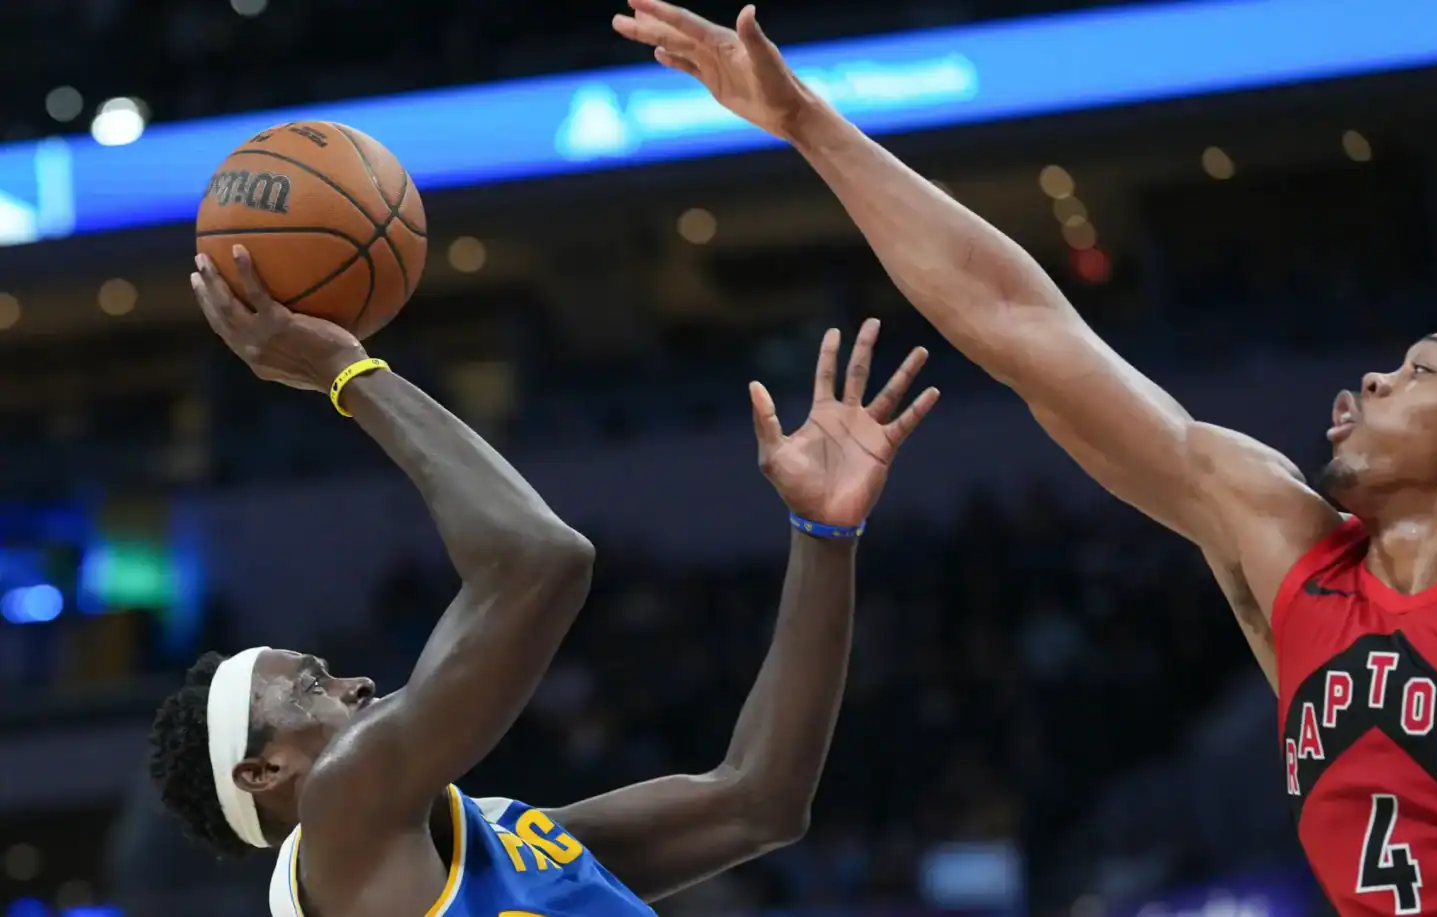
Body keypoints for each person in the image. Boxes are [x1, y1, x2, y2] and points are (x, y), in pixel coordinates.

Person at [612, 3, 1437, 913]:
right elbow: (1027, 326)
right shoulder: (1285, 549)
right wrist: (808, 124)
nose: (1377, 377)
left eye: (1423, 369)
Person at [148, 246, 938, 917]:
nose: (355, 684)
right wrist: (343, 369)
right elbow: (539, 559)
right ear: (262, 772)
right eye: (311, 687)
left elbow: (759, 802)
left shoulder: (491, 838)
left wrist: (824, 532)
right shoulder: (337, 814)